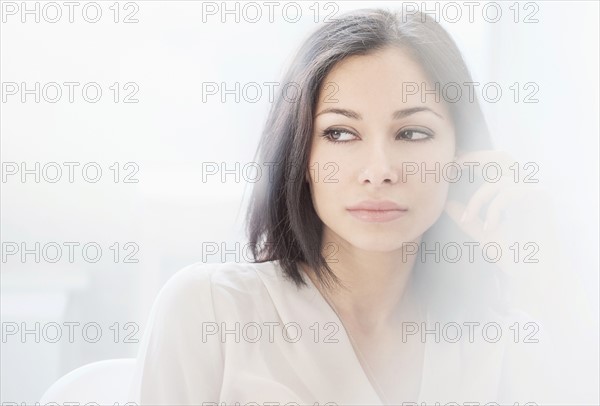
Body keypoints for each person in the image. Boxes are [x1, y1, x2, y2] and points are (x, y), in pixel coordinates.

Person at [128, 7, 597, 406]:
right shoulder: (208, 310)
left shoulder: (506, 344)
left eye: (412, 134)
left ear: (462, 155)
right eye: (340, 133)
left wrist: (551, 286)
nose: (379, 170)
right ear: (301, 154)